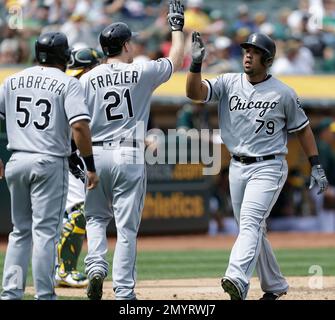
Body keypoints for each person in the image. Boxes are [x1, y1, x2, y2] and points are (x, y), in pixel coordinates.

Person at [186, 32, 328, 300]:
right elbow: (194, 93)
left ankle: (237, 278)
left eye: (255, 51)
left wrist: (316, 164)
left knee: (250, 222)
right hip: (238, 166)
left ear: (269, 59)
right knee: (253, 229)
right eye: (246, 50)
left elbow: (304, 129)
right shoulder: (228, 82)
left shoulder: (284, 92)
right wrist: (195, 64)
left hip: (269, 165)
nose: (248, 55)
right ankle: (274, 285)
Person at [80, 0, 184, 300]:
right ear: (126, 46)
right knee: (126, 229)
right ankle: (124, 292)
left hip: (95, 154)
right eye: (132, 42)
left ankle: (96, 266)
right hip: (129, 152)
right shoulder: (141, 71)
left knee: (96, 218)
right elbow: (176, 60)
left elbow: (77, 125)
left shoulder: (86, 79)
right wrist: (176, 27)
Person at [0, 32, 99, 300]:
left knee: (20, 232)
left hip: (17, 159)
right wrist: (89, 165)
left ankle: (11, 293)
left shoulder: (11, 80)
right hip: (48, 162)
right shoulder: (67, 83)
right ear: (63, 56)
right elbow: (79, 125)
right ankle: (44, 295)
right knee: (45, 233)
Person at [55, 47, 103, 288]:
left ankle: (59, 269)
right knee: (79, 212)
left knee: (63, 217)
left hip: (60, 157)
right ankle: (65, 269)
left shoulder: (66, 82)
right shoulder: (75, 86)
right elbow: (78, 129)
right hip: (66, 158)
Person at [310, 118, 335, 232]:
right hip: (324, 187)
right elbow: (320, 168)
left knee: (326, 219)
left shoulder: (323, 146)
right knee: (327, 220)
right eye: (331, 131)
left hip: (323, 187)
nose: (333, 134)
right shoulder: (323, 146)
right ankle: (326, 244)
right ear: (324, 131)